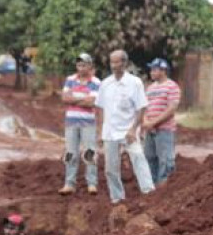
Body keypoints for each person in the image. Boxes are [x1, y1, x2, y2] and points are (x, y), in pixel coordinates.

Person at [95, 49, 155, 204]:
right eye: (111, 62)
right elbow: (100, 109)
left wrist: (133, 129)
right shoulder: (105, 84)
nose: (114, 65)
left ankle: (148, 192)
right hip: (110, 132)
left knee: (138, 158)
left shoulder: (135, 83)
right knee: (110, 168)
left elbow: (141, 107)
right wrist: (100, 132)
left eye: (117, 62)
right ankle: (117, 198)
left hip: (128, 131)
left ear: (125, 63)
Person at [59, 53, 102, 196]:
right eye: (78, 65)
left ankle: (92, 183)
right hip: (71, 121)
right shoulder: (70, 80)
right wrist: (83, 99)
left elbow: (93, 102)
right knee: (71, 152)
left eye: (84, 65)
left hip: (88, 122)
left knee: (90, 152)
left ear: (90, 66)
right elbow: (65, 98)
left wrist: (74, 99)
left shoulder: (96, 82)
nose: (81, 68)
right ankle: (69, 183)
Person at [143, 58, 181, 186]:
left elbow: (171, 109)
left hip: (164, 129)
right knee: (149, 158)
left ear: (163, 70)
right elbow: (145, 107)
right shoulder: (150, 88)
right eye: (151, 69)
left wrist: (153, 122)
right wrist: (146, 121)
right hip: (150, 130)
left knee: (165, 160)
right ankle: (151, 187)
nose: (151, 72)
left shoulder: (172, 86)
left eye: (154, 69)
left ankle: (164, 188)